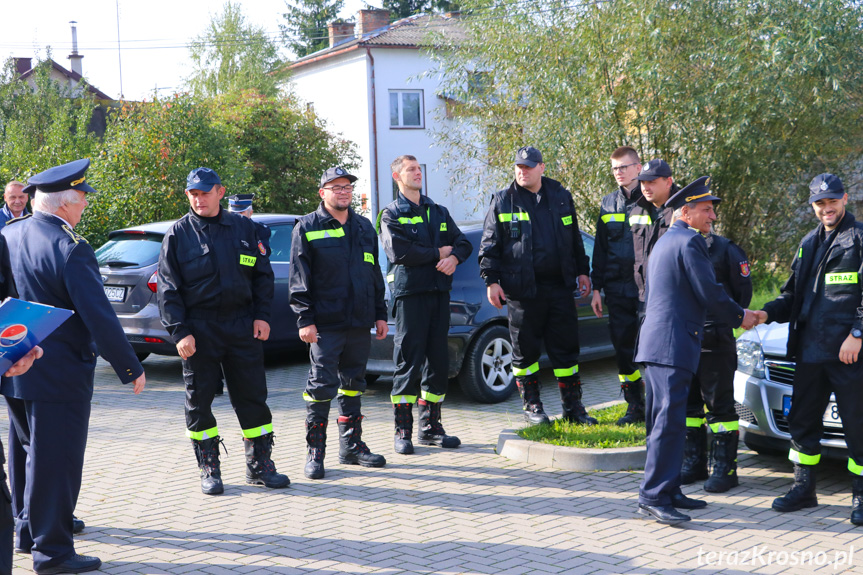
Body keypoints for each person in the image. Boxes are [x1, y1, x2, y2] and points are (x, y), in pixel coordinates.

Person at [1, 158, 146, 574]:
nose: (84, 206)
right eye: (82, 199)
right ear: (66, 203)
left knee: (26, 451)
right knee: (56, 462)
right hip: (60, 373)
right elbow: (98, 314)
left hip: (14, 364)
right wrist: (130, 366)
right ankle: (53, 552)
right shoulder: (71, 247)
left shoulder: (10, 234)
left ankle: (27, 531)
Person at [157, 167, 289, 495]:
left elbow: (262, 276)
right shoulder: (178, 234)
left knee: (252, 398)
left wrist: (262, 316)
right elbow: (167, 289)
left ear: (220, 191)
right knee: (199, 401)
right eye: (193, 194)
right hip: (199, 330)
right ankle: (209, 469)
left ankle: (259, 466)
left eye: (205, 192)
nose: (199, 199)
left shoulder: (245, 229)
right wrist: (180, 332)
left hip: (242, 326)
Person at [635, 176, 756, 525]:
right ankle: (653, 495)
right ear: (686, 212)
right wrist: (741, 316)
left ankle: (669, 489)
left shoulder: (668, 239)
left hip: (660, 345)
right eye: (706, 210)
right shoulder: (688, 242)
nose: (712, 217)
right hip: (670, 346)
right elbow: (710, 292)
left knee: (669, 422)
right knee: (666, 424)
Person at [754, 173, 863, 525]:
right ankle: (804, 489)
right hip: (809, 352)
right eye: (820, 203)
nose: (826, 208)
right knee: (801, 422)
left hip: (848, 354)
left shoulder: (858, 238)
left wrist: (858, 334)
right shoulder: (807, 243)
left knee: (858, 425)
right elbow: (792, 295)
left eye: (832, 201)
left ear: (845, 199)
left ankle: (860, 496)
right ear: (813, 206)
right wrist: (763, 313)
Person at [478, 146, 594, 426]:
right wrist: (491, 281)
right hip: (523, 292)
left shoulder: (561, 196)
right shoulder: (503, 200)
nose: (522, 170)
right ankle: (533, 407)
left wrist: (583, 271)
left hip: (560, 289)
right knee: (525, 352)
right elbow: (489, 246)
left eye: (529, 166)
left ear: (542, 167)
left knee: (566, 351)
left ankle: (573, 409)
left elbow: (575, 240)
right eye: (519, 166)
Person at [289, 167, 388, 479]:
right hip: (325, 325)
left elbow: (373, 273)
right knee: (320, 388)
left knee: (354, 385)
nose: (343, 192)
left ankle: (351, 448)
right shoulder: (307, 226)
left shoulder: (362, 228)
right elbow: (299, 280)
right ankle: (315, 453)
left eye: (347, 187)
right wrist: (305, 320)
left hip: (359, 322)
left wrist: (380, 312)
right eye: (336, 187)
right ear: (322, 193)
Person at [378, 155, 471, 454]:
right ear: (397, 177)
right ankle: (402, 431)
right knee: (408, 362)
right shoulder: (391, 214)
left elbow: (463, 243)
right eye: (411, 170)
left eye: (419, 169)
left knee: (438, 363)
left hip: (438, 296)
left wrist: (454, 257)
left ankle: (430, 428)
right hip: (411, 297)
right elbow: (400, 252)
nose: (417, 173)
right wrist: (437, 253)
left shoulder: (438, 211)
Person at [681, 230, 752, 492]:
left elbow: (742, 294)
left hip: (715, 340)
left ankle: (726, 468)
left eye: (709, 211)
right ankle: (694, 463)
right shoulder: (681, 245)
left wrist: (723, 320)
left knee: (720, 406)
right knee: (689, 407)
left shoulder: (725, 249)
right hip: (686, 338)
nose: (708, 216)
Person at [590, 146, 645, 425]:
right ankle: (635, 405)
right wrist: (596, 288)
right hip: (616, 290)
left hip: (647, 291)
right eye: (614, 169)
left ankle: (660, 402)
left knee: (651, 350)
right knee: (624, 350)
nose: (619, 173)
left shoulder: (652, 201)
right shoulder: (608, 203)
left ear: (638, 167)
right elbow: (599, 249)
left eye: (624, 167)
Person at [630, 159, 677, 307]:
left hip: (674, 298)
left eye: (652, 182)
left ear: (668, 182)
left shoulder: (683, 211)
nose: (646, 188)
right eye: (643, 183)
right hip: (644, 298)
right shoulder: (637, 210)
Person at [227, 192, 271, 257]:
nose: (237, 215)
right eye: (233, 212)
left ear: (250, 213)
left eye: (241, 212)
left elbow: (262, 255)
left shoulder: (259, 230)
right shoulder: (222, 228)